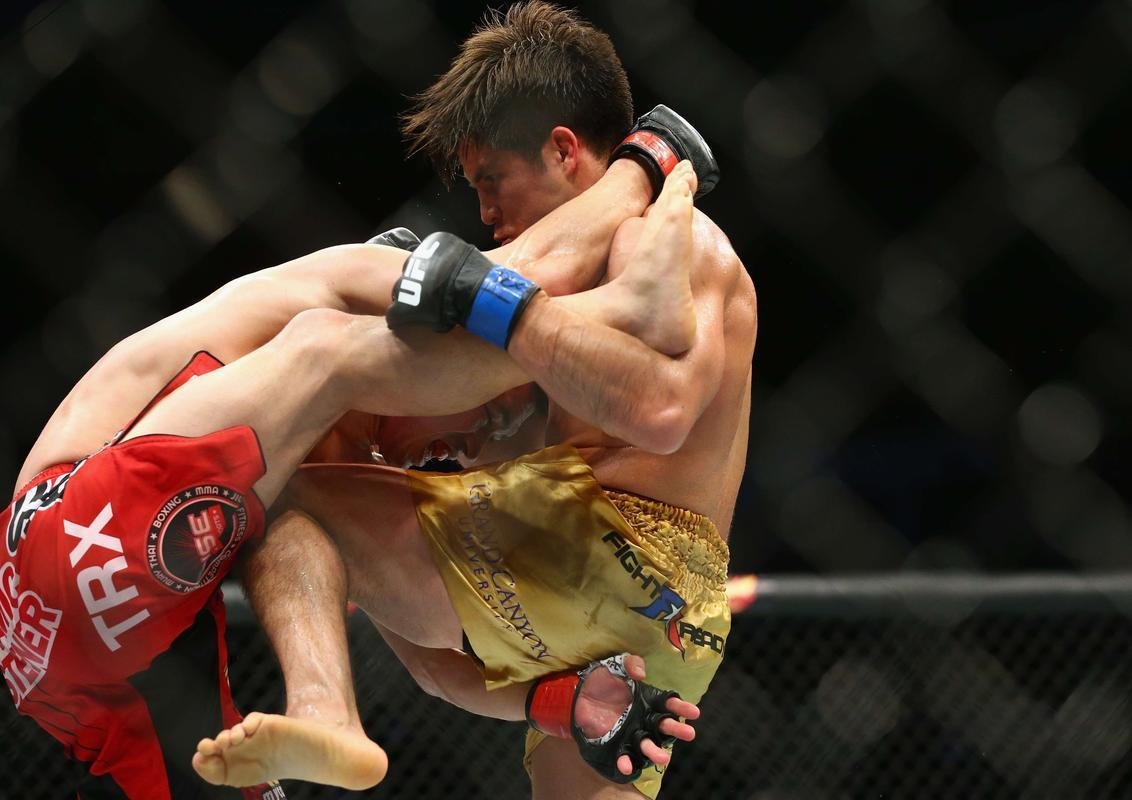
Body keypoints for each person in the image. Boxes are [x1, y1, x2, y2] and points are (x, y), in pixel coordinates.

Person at [0, 95, 709, 797]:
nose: (458, 446)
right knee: (332, 345)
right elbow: (520, 274)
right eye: (476, 421)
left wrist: (557, 701)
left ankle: (324, 712)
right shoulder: (342, 287)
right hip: (65, 522)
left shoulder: (309, 493)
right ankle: (626, 306)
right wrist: (641, 168)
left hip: (72, 664)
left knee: (235, 755)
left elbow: (433, 669)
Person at [197, 3, 756, 798]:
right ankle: (557, 702)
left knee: (280, 485)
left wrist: (489, 298)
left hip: (612, 550)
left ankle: (324, 706)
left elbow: (659, 414)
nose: (487, 216)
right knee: (348, 466)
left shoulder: (668, 238)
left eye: (493, 181)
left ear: (564, 150)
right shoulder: (578, 279)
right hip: (665, 627)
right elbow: (525, 446)